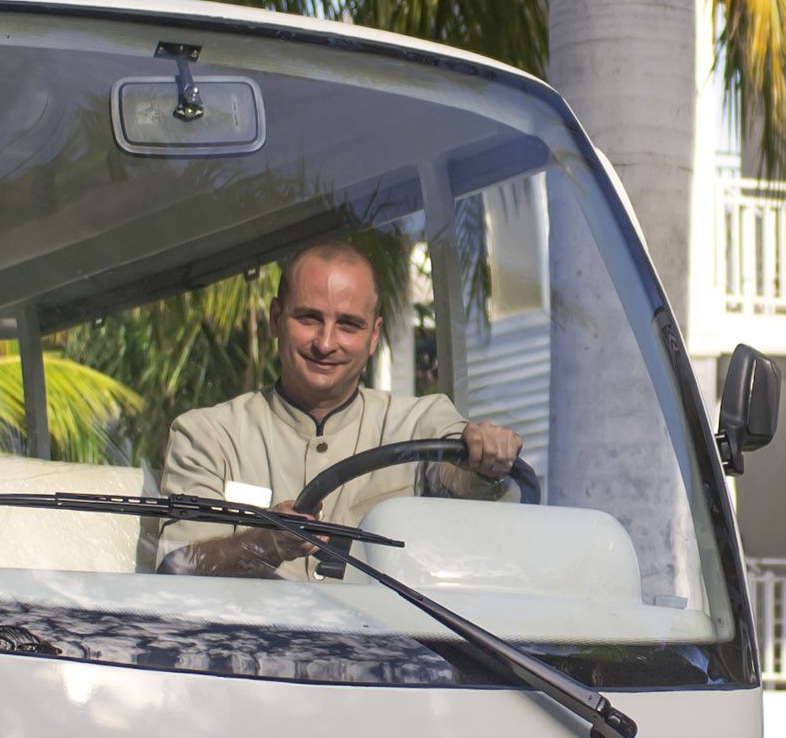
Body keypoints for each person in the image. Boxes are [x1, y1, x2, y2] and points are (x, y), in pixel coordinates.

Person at [158, 238, 521, 577]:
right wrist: (266, 542)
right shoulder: (207, 435)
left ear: (374, 337)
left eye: (348, 324)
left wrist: (485, 458)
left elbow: (461, 477)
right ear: (274, 319)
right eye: (309, 318)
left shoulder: (420, 422)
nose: (326, 342)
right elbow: (179, 566)